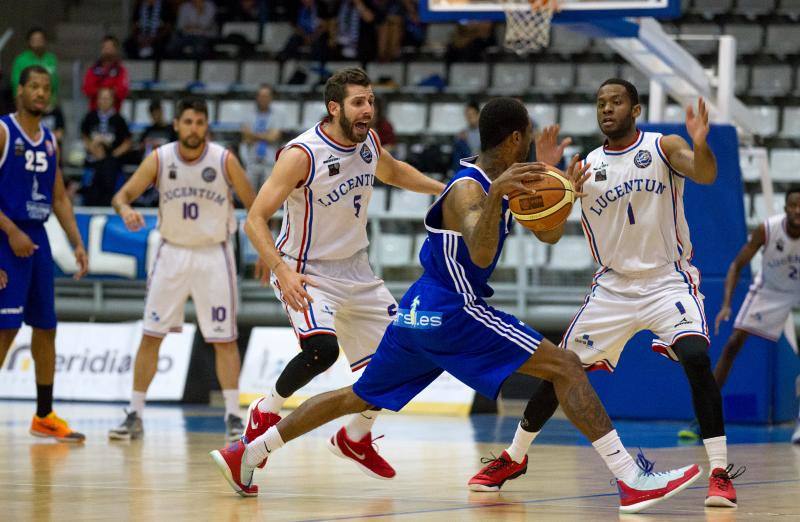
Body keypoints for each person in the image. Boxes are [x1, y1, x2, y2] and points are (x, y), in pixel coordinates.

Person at [210, 97, 703, 515]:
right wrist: (500, 198)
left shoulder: (498, 180)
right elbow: (483, 250)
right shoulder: (471, 188)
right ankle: (629, 477)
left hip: (419, 313)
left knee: (357, 395)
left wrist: (559, 181)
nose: (530, 142)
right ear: (513, 139)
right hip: (454, 310)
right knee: (569, 367)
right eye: (528, 136)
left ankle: (247, 453)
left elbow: (549, 233)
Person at [467, 79, 743, 508]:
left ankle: (721, 471)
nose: (606, 108)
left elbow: (704, 173)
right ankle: (513, 457)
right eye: (600, 103)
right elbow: (551, 238)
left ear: (635, 110)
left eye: (616, 102)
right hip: (611, 289)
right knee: (561, 369)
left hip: (666, 280)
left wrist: (703, 144)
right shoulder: (584, 167)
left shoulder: (662, 146)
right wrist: (554, 182)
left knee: (695, 357)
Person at [219, 67, 444, 481]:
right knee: (323, 351)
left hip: (357, 271)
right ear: (334, 108)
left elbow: (393, 172)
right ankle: (265, 411)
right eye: (359, 103)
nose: (368, 111)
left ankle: (355, 437)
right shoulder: (301, 155)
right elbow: (254, 219)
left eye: (371, 101)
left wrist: (441, 190)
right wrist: (282, 271)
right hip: (306, 271)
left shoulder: (370, 143)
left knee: (407, 357)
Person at [108, 97, 264, 442]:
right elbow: (122, 195)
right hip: (171, 254)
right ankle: (134, 413)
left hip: (214, 255)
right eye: (188, 121)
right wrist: (125, 211)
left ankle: (234, 416)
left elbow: (256, 208)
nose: (194, 128)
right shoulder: (160, 158)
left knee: (224, 339)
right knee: (151, 334)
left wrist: (265, 255)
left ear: (206, 125)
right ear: (176, 124)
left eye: (199, 122)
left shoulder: (224, 160)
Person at [0, 65, 89, 442]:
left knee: (46, 329)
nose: (39, 92)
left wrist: (76, 241)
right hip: (7, 237)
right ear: (19, 91)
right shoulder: (3, 130)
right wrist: (11, 231)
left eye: (45, 87)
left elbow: (58, 198)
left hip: (37, 241)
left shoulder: (50, 139)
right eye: (33, 86)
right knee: (4, 330)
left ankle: (44, 414)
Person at [678, 189, 800, 443]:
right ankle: (702, 420)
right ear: (785, 207)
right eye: (793, 205)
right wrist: (726, 305)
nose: (798, 210)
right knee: (733, 344)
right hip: (769, 290)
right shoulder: (768, 229)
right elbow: (736, 266)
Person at [80, 88, 132, 206]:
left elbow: (127, 142)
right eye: (101, 98)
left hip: (111, 165)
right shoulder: (90, 117)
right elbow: (84, 135)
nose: (104, 101)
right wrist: (92, 148)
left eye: (107, 98)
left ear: (112, 100)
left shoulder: (119, 119)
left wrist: (112, 155)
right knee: (89, 192)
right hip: (92, 162)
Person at [239, 84, 286, 190]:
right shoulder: (248, 114)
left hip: (269, 161)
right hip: (251, 160)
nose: (263, 99)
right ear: (257, 97)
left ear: (271, 98)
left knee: (268, 195)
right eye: (261, 96)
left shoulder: (278, 115)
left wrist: (254, 135)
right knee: (249, 194)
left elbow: (274, 137)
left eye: (266, 96)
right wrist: (266, 134)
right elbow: (245, 136)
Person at [11, 28, 59, 104]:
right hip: (27, 104)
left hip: (48, 104)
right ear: (29, 42)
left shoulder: (51, 58)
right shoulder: (21, 60)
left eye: (40, 39)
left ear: (45, 41)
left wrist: (52, 102)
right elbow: (16, 83)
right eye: (35, 39)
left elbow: (55, 83)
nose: (38, 42)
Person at [82, 35, 129, 112]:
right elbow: (87, 89)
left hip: (114, 114)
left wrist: (107, 93)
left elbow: (122, 91)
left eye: (110, 47)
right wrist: (102, 92)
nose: (107, 50)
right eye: (105, 47)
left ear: (116, 50)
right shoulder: (93, 69)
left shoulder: (121, 70)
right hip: (95, 113)